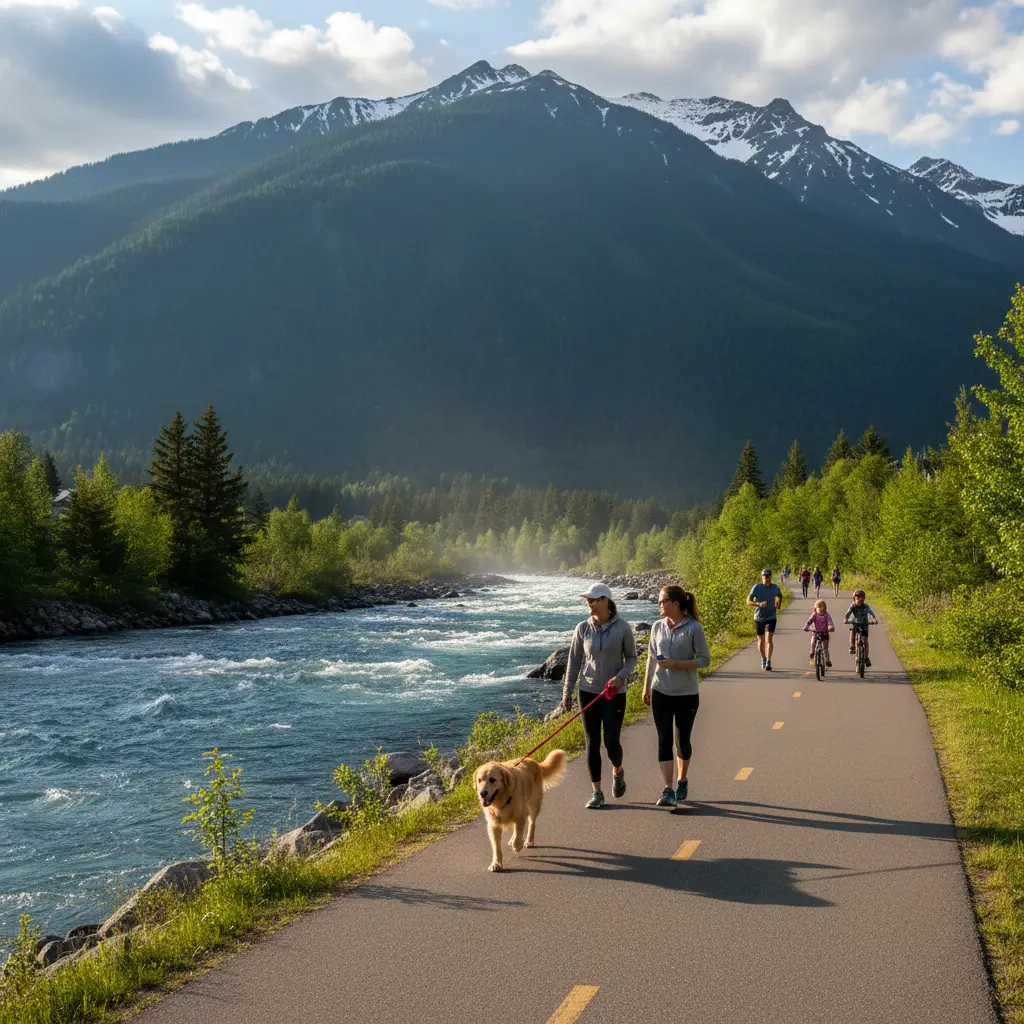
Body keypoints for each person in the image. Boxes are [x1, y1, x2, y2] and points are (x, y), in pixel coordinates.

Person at [561, 582, 637, 808]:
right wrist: (567, 693)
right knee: (592, 742)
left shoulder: (622, 627)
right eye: (588, 601)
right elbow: (573, 662)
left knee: (611, 742)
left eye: (594, 600)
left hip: (614, 692)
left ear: (606, 601)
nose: (590, 604)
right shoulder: (582, 628)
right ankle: (596, 792)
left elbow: (632, 657)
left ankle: (618, 770)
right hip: (588, 691)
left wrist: (620, 676)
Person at [642, 586, 710, 807]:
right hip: (660, 690)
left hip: (686, 694)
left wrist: (676, 665)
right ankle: (668, 788)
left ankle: (682, 780)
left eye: (663, 601)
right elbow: (651, 658)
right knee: (664, 740)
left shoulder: (694, 628)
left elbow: (704, 660)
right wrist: (646, 687)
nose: (659, 605)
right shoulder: (657, 627)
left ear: (676, 604)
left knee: (683, 742)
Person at [747, 567, 783, 671]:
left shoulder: (775, 588)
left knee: (769, 639)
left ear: (770, 577)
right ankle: (763, 658)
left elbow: (780, 596)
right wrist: (758, 604)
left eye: (768, 576)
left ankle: (768, 661)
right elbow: (748, 601)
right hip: (759, 617)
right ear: (762, 577)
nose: (766, 578)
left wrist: (778, 604)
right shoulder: (757, 587)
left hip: (771, 616)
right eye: (764, 576)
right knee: (761, 641)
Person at [844, 589, 879, 667]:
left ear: (864, 599)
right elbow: (848, 613)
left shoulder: (866, 606)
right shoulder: (853, 606)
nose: (860, 600)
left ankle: (866, 657)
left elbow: (870, 612)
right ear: (854, 599)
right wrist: (846, 619)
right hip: (855, 623)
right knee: (852, 631)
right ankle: (852, 646)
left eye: (862, 599)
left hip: (864, 624)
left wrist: (874, 619)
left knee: (865, 641)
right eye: (857, 599)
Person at [803, 599, 834, 666]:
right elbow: (809, 621)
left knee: (825, 647)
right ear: (815, 608)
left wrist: (831, 627)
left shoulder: (827, 615)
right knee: (813, 642)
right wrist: (806, 627)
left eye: (823, 607)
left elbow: (830, 622)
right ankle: (812, 651)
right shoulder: (814, 615)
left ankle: (827, 660)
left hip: (825, 633)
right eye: (819, 607)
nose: (822, 609)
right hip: (816, 632)